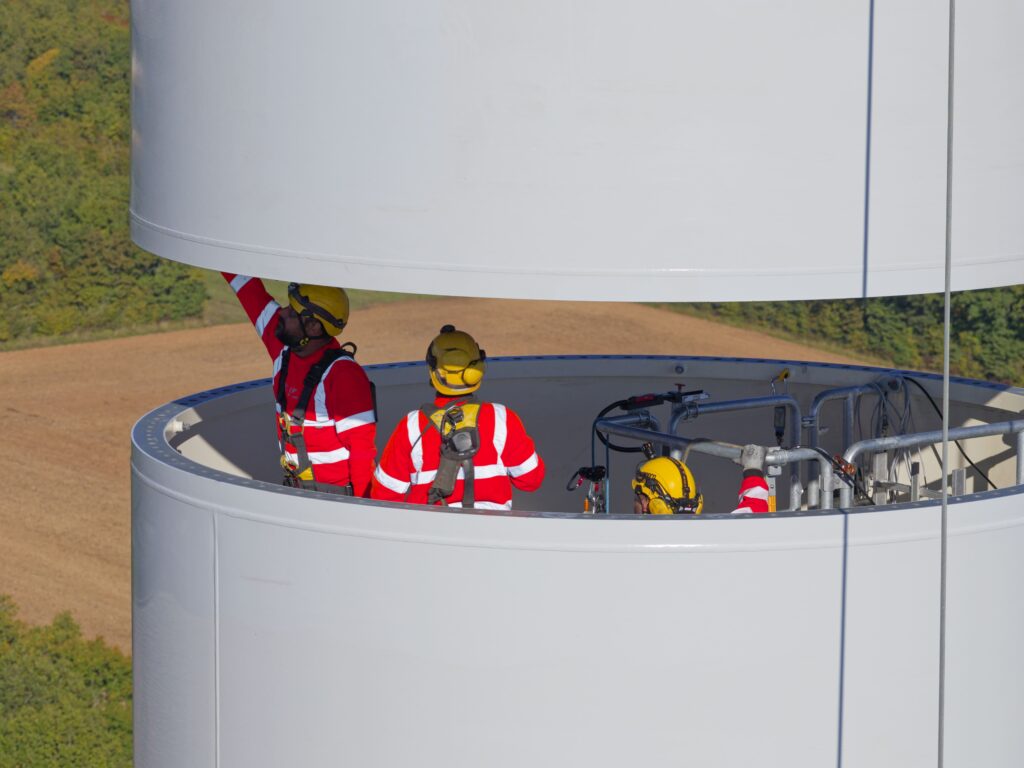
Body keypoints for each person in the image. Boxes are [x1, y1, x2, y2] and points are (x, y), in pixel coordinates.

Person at [222, 273, 376, 496]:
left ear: (313, 327)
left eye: (292, 312)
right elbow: (248, 289)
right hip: (297, 495)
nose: (282, 313)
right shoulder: (285, 351)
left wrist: (364, 513)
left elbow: (362, 455)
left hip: (336, 505)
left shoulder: (344, 376)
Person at [371, 325, 545, 510]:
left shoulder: (411, 425)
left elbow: (383, 496)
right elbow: (531, 480)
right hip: (493, 532)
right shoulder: (503, 418)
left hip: (429, 533)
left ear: (433, 371)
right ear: (477, 368)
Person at [631, 444, 770, 515]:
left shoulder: (631, 547)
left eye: (637, 498)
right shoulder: (717, 538)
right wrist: (753, 470)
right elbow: (755, 511)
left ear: (645, 503)